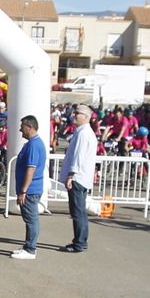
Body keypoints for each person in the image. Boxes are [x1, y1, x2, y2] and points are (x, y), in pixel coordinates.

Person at [58, 106, 97, 253]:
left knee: (78, 212)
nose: (74, 115)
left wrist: (71, 174)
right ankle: (80, 241)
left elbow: (78, 156)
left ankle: (79, 242)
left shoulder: (83, 133)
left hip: (78, 177)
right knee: (80, 211)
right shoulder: (83, 132)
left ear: (86, 117)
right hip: (81, 177)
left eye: (77, 113)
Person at [11, 115, 46, 260]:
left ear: (30, 127)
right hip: (30, 189)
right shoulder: (32, 143)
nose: (20, 130)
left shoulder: (33, 145)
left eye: (22, 127)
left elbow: (30, 169)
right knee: (29, 219)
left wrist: (23, 190)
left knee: (31, 219)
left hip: (30, 190)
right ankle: (28, 246)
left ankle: (31, 249)